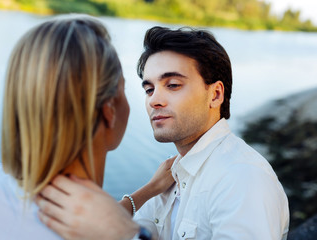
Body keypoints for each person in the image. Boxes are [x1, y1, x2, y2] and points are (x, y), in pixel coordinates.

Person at [36, 26, 290, 240]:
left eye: (172, 85)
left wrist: (118, 229)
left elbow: (116, 231)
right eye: (149, 89)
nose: (154, 100)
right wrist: (145, 192)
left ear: (215, 94)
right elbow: (107, 228)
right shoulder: (174, 175)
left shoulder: (242, 179)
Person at [0, 15, 173, 240]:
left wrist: (148, 191)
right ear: (109, 109)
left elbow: (93, 217)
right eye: (123, 88)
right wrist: (128, 233)